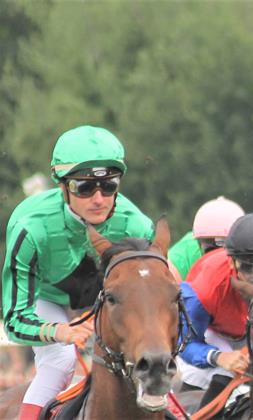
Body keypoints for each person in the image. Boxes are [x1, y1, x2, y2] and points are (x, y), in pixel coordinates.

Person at [1, 125, 154, 420]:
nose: (98, 198)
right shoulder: (30, 228)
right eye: (84, 187)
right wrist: (60, 331)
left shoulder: (138, 226)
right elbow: (14, 319)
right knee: (60, 361)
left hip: (106, 297)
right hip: (46, 299)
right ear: (62, 187)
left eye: (109, 185)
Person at [177, 212, 253, 410]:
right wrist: (218, 357)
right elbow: (184, 343)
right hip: (216, 333)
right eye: (249, 267)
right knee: (217, 373)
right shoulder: (205, 290)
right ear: (231, 262)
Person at [168, 196, 245, 281]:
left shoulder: (250, 257)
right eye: (211, 249)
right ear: (198, 242)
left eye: (225, 248)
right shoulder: (180, 258)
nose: (218, 257)